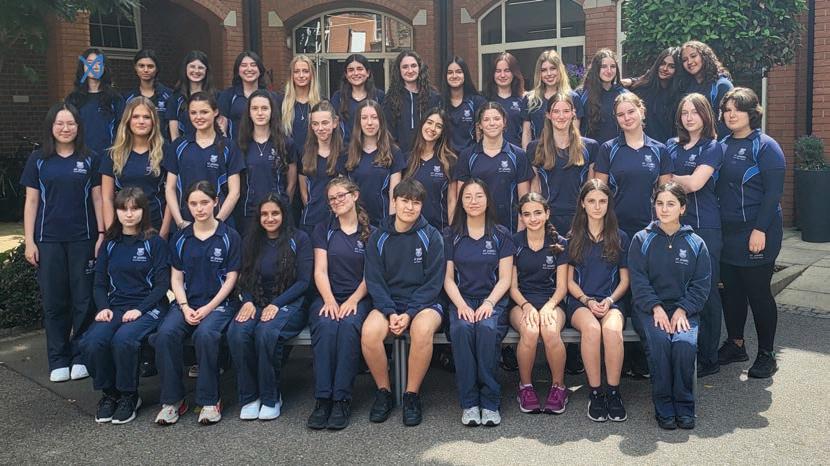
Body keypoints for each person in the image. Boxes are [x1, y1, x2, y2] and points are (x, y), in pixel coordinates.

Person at [21, 102, 104, 383]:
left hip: (83, 238)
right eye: (60, 123)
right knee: (54, 301)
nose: (65, 128)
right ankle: (58, 358)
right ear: (51, 127)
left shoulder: (90, 158)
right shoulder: (38, 159)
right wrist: (29, 241)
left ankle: (81, 355)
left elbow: (97, 198)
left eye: (70, 123)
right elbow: (32, 202)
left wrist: (101, 234)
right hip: (48, 241)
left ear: (78, 127)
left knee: (83, 300)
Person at [153, 181, 241, 426]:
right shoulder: (181, 237)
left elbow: (231, 279)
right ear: (187, 206)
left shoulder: (229, 236)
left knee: (205, 335)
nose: (199, 208)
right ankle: (173, 401)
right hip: (187, 303)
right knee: (165, 334)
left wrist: (208, 308)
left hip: (219, 304)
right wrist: (184, 307)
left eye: (204, 202)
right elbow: (176, 278)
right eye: (193, 204)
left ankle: (210, 401)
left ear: (215, 202)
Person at [82, 188, 170, 424]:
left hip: (149, 306)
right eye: (123, 209)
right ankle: (110, 394)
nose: (129, 214)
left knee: (124, 340)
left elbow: (162, 285)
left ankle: (129, 396)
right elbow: (99, 283)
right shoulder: (110, 244)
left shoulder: (154, 242)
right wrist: (103, 307)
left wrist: (139, 310)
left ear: (143, 211)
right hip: (116, 306)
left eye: (134, 208)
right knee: (92, 342)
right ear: (117, 212)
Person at [362, 179, 446, 427]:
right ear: (394, 202)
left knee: (422, 329)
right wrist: (390, 312)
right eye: (405, 201)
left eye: (416, 202)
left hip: (425, 303)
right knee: (369, 332)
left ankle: (411, 395)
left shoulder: (432, 236)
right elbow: (374, 280)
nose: (410, 207)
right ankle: (384, 392)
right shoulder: (378, 237)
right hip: (389, 303)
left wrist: (409, 313)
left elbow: (433, 282)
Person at [629, 182, 711, 430]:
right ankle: (664, 406)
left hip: (684, 309)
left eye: (671, 204)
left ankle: (684, 406)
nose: (664, 209)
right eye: (660, 203)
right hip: (649, 309)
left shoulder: (696, 243)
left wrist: (683, 309)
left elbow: (701, 284)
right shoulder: (641, 239)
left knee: (684, 345)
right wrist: (655, 307)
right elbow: (638, 281)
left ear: (682, 208)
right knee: (660, 343)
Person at [716, 87, 785, 379]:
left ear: (751, 113)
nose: (731, 115)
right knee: (731, 293)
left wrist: (759, 229)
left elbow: (773, 193)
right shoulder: (720, 145)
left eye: (738, 109)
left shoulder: (766, 146)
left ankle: (767, 354)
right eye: (727, 110)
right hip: (727, 234)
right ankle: (736, 345)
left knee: (758, 294)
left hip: (758, 232)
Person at [226, 194, 312, 421]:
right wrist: (247, 301)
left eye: (275, 213)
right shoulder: (251, 240)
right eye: (264, 214)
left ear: (284, 214)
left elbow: (304, 282)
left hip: (290, 303)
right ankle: (249, 397)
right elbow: (243, 277)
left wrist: (276, 304)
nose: (270, 218)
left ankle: (270, 397)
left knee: (267, 332)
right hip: (256, 301)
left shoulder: (299, 239)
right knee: (238, 332)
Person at [444, 179, 515, 426]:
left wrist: (489, 303)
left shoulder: (501, 234)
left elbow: (505, 278)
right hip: (461, 299)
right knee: (462, 329)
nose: (473, 201)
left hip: (492, 300)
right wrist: (461, 305)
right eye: (467, 197)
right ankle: (470, 403)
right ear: (461, 203)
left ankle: (490, 402)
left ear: (487, 200)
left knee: (486, 329)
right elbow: (447, 278)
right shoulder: (451, 235)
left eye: (479, 196)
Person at [307, 177, 374, 430]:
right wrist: (330, 300)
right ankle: (323, 399)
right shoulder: (323, 229)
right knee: (326, 326)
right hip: (327, 297)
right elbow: (320, 271)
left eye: (341, 195)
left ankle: (342, 399)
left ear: (354, 195)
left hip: (359, 298)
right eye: (332, 198)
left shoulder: (371, 232)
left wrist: (353, 300)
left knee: (348, 327)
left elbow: (371, 276)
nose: (337, 201)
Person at [666, 93, 725, 377]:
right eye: (684, 112)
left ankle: (709, 357)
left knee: (706, 291)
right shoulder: (670, 145)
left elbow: (694, 183)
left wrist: (667, 178)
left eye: (695, 112)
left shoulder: (712, 147)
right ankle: (683, 350)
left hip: (705, 228)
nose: (689, 117)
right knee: (679, 289)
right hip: (673, 227)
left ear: (705, 115)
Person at [565, 179, 630, 422]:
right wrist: (587, 300)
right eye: (591, 201)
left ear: (608, 204)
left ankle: (613, 392)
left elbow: (625, 280)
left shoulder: (620, 237)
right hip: (581, 303)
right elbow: (569, 282)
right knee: (592, 329)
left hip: (612, 301)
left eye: (602, 201)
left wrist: (610, 300)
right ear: (582, 203)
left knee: (612, 331)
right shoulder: (572, 237)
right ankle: (595, 393)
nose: (597, 206)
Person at [509, 193, 569, 414]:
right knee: (531, 331)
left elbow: (562, 287)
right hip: (521, 302)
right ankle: (525, 387)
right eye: (527, 214)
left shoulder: (560, 244)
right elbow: (512, 287)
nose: (533, 218)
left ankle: (558, 387)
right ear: (521, 218)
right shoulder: (513, 242)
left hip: (552, 302)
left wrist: (549, 306)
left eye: (537, 213)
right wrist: (526, 306)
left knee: (551, 331)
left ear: (547, 213)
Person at [594, 93, 673, 240]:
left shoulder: (660, 150)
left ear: (641, 111)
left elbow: (666, 195)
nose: (627, 118)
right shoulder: (607, 149)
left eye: (631, 112)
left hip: (650, 229)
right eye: (621, 115)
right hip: (614, 229)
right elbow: (598, 192)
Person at [163, 92, 243, 230]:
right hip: (185, 223)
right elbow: (170, 188)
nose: (198, 117)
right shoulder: (178, 146)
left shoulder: (229, 147)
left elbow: (234, 192)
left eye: (204, 112)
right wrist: (180, 222)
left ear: (215, 112)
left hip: (220, 225)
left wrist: (217, 223)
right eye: (193, 113)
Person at [454, 102, 533, 234]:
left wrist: (520, 234)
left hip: (510, 228)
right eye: (486, 119)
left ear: (504, 122)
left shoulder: (518, 155)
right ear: (480, 125)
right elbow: (461, 197)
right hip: (476, 230)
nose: (492, 123)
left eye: (496, 119)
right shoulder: (467, 155)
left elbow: (524, 200)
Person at [528, 92, 598, 235]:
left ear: (573, 113)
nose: (561, 116)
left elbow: (591, 188)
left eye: (566, 111)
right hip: (547, 218)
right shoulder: (535, 148)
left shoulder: (590, 146)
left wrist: (588, 218)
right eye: (556, 111)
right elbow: (535, 188)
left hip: (580, 218)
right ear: (548, 115)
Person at [101, 96, 170, 236]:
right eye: (136, 117)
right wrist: (110, 233)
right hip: (122, 228)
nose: (141, 121)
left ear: (154, 121)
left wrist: (164, 233)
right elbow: (107, 198)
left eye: (146, 117)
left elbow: (171, 194)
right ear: (127, 120)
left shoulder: (165, 151)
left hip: (155, 226)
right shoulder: (113, 154)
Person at [236, 89, 297, 234]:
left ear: (272, 111)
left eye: (264, 108)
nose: (260, 113)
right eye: (255, 108)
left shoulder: (286, 143)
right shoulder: (241, 144)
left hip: (279, 213)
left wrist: (282, 204)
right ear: (249, 113)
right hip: (250, 213)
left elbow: (292, 183)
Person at [343, 100, 406, 226]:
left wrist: (391, 224)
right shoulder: (346, 153)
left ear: (381, 121)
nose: (369, 122)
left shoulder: (394, 152)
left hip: (382, 223)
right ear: (358, 122)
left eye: (374, 117)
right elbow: (342, 193)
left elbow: (394, 194)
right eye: (364, 118)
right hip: (354, 223)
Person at [403, 108, 458, 231]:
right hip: (410, 230)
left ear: (442, 132)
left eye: (438, 126)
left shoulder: (450, 161)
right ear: (422, 124)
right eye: (429, 122)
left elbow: (452, 200)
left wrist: (452, 232)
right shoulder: (407, 159)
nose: (432, 128)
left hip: (439, 230)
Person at [65, 48, 126, 156]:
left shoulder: (115, 98)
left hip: (109, 157)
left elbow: (123, 130)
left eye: (98, 63)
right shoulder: (73, 99)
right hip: (80, 156)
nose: (94, 66)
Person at [297, 101, 346, 235]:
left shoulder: (344, 153)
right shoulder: (304, 152)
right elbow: (303, 190)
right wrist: (309, 205)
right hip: (311, 220)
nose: (320, 128)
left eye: (325, 123)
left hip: (337, 220)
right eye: (315, 124)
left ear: (335, 123)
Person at [383, 51, 441, 154]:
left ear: (419, 68)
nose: (410, 70)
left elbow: (439, 128)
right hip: (400, 157)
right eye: (405, 67)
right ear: (399, 70)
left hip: (428, 155)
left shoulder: (433, 97)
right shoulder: (390, 99)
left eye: (413, 66)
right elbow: (388, 132)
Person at [628, 47, 683, 144]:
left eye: (671, 66)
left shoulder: (680, 94)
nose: (665, 68)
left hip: (670, 147)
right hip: (644, 146)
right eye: (662, 63)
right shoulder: (641, 90)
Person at [679, 41, 733, 138]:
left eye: (693, 56)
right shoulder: (686, 87)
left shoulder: (722, 85)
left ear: (704, 56)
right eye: (684, 60)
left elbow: (728, 122)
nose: (689, 62)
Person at [525, 50, 578, 146]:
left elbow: (575, 133)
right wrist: (527, 153)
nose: (549, 73)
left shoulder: (573, 98)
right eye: (544, 70)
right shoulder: (531, 99)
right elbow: (526, 133)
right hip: (537, 152)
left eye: (553, 68)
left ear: (560, 70)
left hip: (566, 152)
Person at [330, 54, 385, 146]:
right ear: (346, 75)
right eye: (351, 70)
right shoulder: (338, 97)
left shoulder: (379, 96)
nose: (355, 73)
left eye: (360, 69)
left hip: (374, 148)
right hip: (344, 149)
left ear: (368, 73)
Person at [218, 51, 273, 142]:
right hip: (236, 148)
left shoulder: (271, 97)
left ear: (260, 69)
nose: (249, 69)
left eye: (253, 65)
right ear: (238, 70)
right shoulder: (227, 96)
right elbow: (221, 126)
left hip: (264, 148)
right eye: (244, 65)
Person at [576, 49, 627, 144]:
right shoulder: (581, 95)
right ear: (596, 68)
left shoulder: (624, 94)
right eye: (603, 66)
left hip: (616, 150)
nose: (609, 71)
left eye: (613, 66)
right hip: (590, 151)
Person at [123, 49, 174, 141]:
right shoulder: (127, 98)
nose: (145, 70)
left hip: (163, 146)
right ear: (135, 68)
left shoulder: (169, 95)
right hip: (136, 147)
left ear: (157, 69)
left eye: (150, 66)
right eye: (141, 66)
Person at [167, 50, 217, 141]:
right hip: (184, 147)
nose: (196, 71)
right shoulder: (175, 98)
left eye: (200, 68)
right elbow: (174, 135)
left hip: (212, 147)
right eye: (192, 67)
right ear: (185, 69)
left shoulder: (217, 97)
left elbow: (221, 128)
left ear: (206, 70)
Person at [485, 52, 530, 148]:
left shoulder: (524, 99)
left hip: (515, 153)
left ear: (514, 73)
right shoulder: (485, 99)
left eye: (507, 70)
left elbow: (526, 132)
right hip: (491, 153)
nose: (502, 75)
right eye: (498, 71)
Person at [443, 56, 486, 155]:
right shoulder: (439, 102)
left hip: (471, 157)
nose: (454, 76)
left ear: (465, 74)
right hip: (445, 158)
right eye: (450, 72)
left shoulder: (477, 102)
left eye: (459, 72)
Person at [278, 55, 322, 152]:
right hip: (289, 158)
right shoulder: (280, 103)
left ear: (312, 75)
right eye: (296, 71)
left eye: (305, 71)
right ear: (291, 75)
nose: (301, 75)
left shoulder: (321, 103)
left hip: (314, 157)